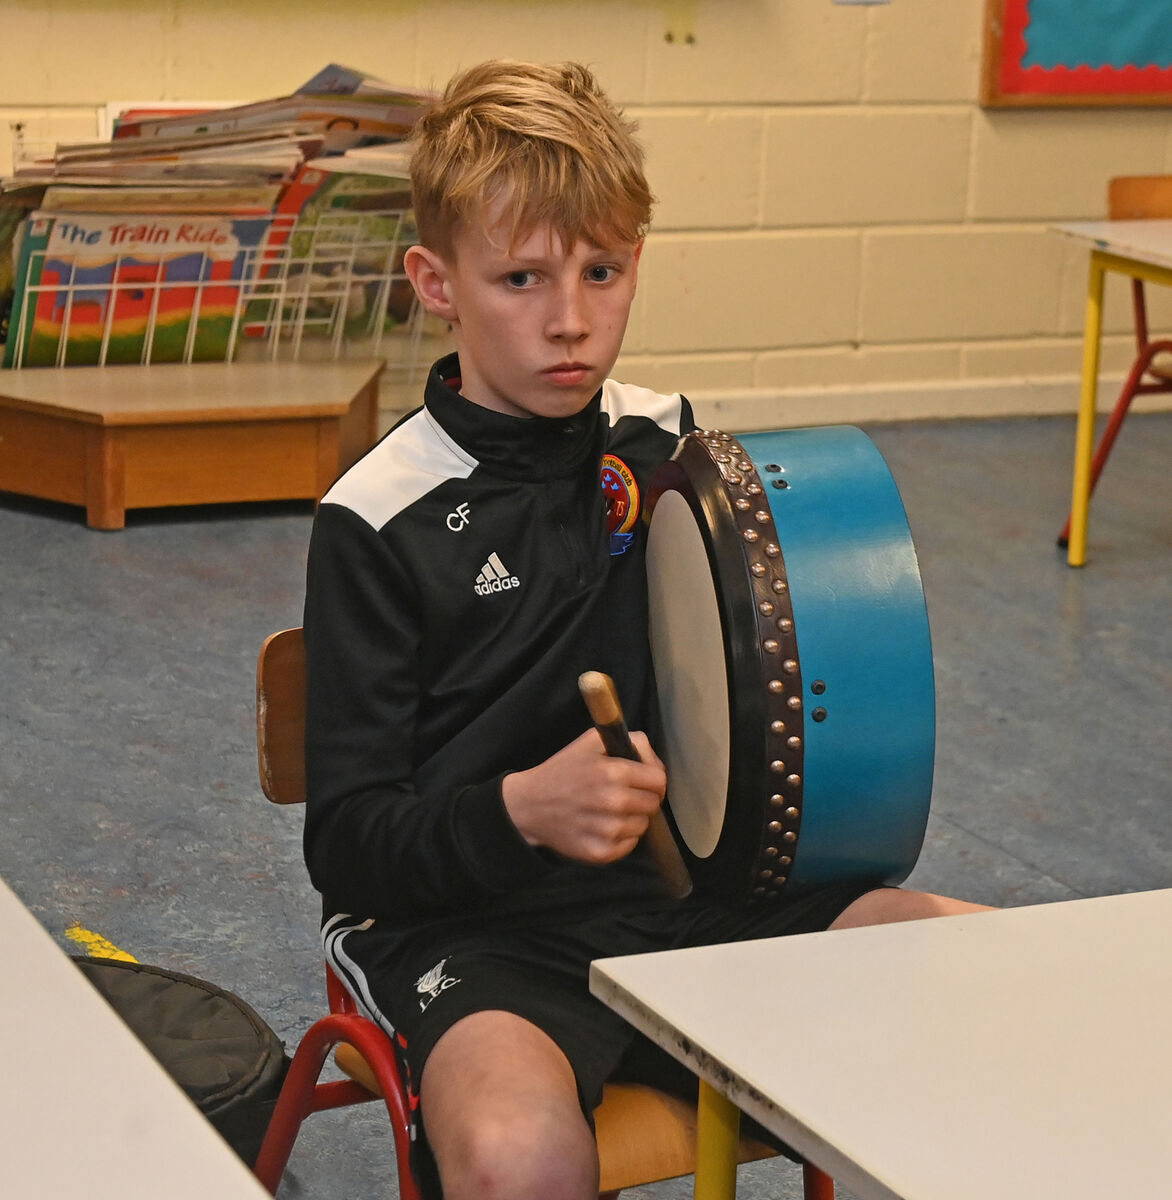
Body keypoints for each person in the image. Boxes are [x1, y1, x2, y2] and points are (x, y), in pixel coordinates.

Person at [301, 59, 991, 1200]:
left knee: (1026, 982)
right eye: (518, 277)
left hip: (705, 901)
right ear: (435, 281)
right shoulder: (376, 518)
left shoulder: (665, 443)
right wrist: (523, 809)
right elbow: (350, 844)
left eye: (602, 270)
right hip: (477, 937)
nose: (570, 320)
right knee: (520, 1158)